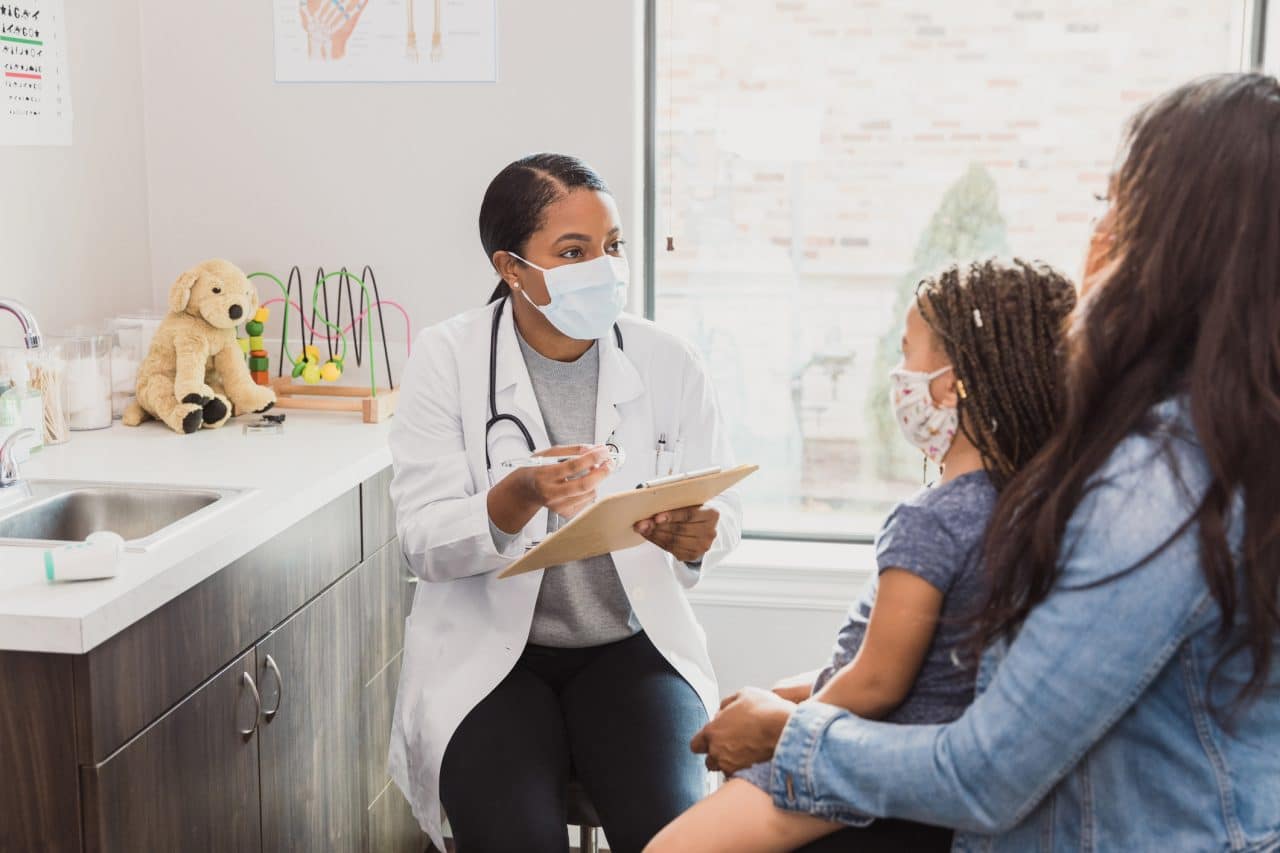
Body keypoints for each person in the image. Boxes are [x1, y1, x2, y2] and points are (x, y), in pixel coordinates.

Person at [686, 72, 1280, 852]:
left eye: (1113, 203)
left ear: (1172, 242)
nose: (1094, 233)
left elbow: (985, 771)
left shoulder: (1155, 488)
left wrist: (785, 735)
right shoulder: (1222, 444)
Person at [647, 259, 1076, 853]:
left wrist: (785, 732)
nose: (898, 376)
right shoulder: (1032, 506)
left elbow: (878, 682)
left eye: (908, 355)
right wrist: (784, 692)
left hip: (858, 754)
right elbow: (926, 660)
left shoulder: (932, 522)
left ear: (950, 386)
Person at [387, 153, 743, 853]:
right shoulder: (447, 358)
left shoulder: (667, 359)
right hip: (494, 661)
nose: (604, 267)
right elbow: (422, 539)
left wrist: (700, 534)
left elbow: (721, 510)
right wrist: (514, 497)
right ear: (512, 268)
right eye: (573, 251)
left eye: (611, 247)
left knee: (676, 836)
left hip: (630, 647)